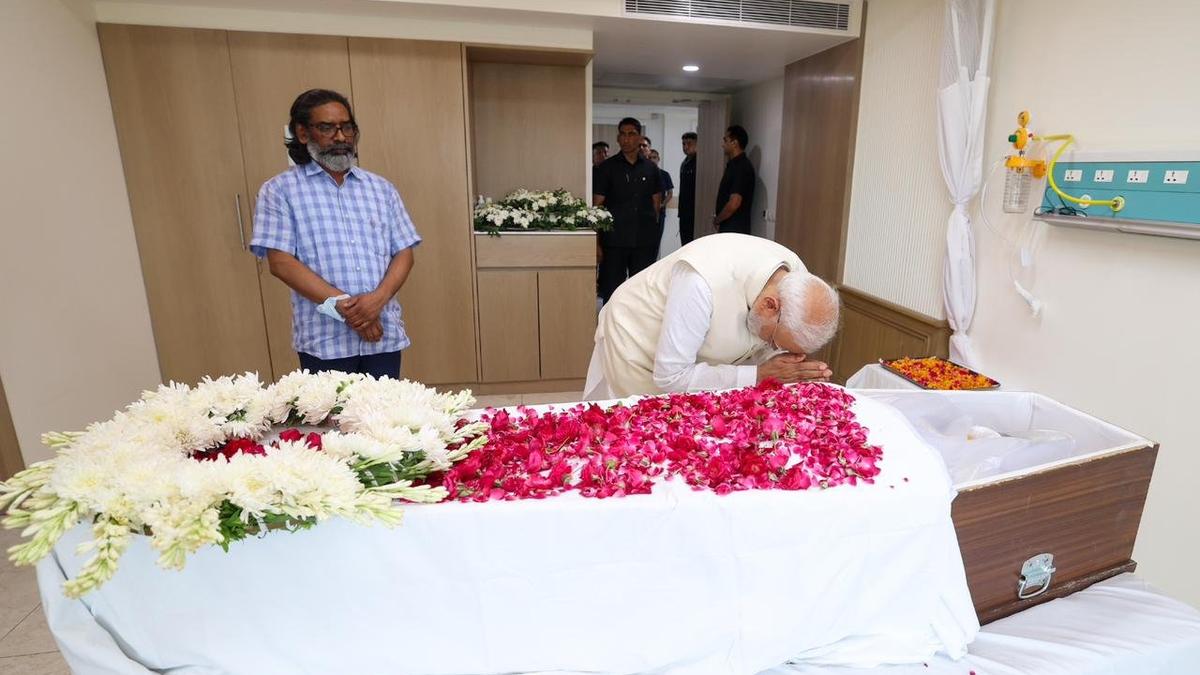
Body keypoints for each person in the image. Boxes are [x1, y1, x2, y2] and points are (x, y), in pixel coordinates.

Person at [250, 89, 421, 379]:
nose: (340, 137)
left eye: (347, 127)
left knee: (387, 418)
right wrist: (351, 310)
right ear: (303, 134)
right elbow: (281, 263)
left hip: (383, 332)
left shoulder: (381, 189)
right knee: (332, 419)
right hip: (325, 340)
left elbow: (404, 252)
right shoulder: (279, 190)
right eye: (327, 128)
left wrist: (377, 301)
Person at [583, 233, 838, 400]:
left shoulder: (795, 275)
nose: (772, 349)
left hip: (693, 349)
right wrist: (758, 375)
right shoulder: (701, 283)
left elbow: (763, 350)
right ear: (770, 306)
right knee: (647, 429)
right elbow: (670, 377)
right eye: (775, 344)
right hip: (638, 337)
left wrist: (788, 368)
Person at [593, 117, 662, 303]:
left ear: (640, 138)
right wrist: (597, 242)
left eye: (631, 134)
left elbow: (656, 205)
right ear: (617, 138)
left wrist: (650, 234)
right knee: (612, 292)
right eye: (622, 134)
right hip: (614, 241)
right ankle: (609, 330)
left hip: (643, 242)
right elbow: (597, 206)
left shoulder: (651, 169)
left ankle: (636, 331)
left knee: (641, 292)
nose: (626, 139)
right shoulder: (606, 168)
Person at [714, 125, 755, 235]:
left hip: (735, 230)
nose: (723, 145)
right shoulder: (733, 165)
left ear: (734, 143)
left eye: (725, 140)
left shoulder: (742, 167)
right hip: (729, 228)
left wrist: (717, 220)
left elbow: (734, 203)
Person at [649, 149, 674, 250]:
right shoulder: (644, 174)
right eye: (649, 158)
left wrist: (663, 204)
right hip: (646, 213)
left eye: (654, 157)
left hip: (660, 213)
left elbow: (670, 193)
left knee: (656, 241)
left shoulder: (664, 174)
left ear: (658, 159)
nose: (652, 160)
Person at [678, 131, 697, 245]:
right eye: (683, 144)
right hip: (684, 211)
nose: (685, 147)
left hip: (695, 211)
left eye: (689, 143)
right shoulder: (685, 163)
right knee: (685, 244)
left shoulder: (700, 162)